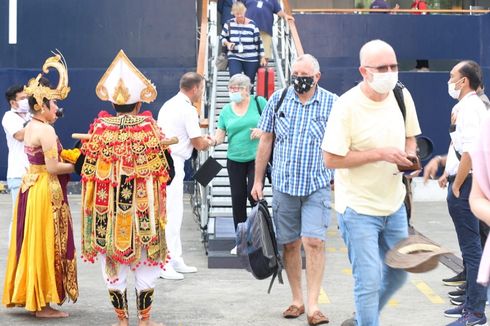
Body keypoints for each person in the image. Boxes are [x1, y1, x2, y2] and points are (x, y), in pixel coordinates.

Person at [322, 39, 421, 326]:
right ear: (364, 71)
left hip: (394, 204)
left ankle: (363, 319)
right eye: (382, 68)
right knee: (368, 279)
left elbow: (410, 137)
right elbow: (331, 159)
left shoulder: (401, 95)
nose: (390, 72)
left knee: (400, 271)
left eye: (394, 66)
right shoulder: (346, 106)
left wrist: (408, 157)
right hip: (358, 208)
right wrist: (380, 154)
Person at [79, 50, 173, 326]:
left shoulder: (99, 130)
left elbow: (82, 169)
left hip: (106, 214)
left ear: (113, 104)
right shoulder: (149, 129)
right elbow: (168, 171)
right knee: (146, 264)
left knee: (113, 266)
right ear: (138, 106)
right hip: (143, 215)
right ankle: (144, 321)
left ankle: (121, 321)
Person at [251, 54, 337, 326]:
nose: (299, 79)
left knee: (314, 241)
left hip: (317, 185)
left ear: (317, 77)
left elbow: (344, 143)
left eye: (304, 75)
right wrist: (257, 181)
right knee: (289, 244)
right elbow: (265, 141)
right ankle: (297, 299)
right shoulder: (278, 100)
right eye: (295, 74)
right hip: (284, 185)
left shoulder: (333, 104)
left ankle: (313, 306)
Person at [2, 54, 78, 317]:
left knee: (32, 242)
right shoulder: (46, 130)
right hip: (45, 188)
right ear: (41, 106)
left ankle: (34, 296)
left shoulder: (34, 126)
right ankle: (42, 304)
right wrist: (79, 166)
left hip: (31, 187)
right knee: (46, 243)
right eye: (53, 104)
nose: (56, 108)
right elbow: (54, 168)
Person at [428, 60, 487, 326]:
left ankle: (475, 311)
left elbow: (472, 151)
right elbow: (459, 148)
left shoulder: (471, 107)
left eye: (452, 76)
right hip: (465, 181)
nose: (449, 80)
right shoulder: (464, 107)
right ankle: (470, 304)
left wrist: (457, 183)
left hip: (467, 184)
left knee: (472, 250)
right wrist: (448, 174)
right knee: (472, 248)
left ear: (463, 81)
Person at [157, 72, 215, 280]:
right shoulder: (188, 110)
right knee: (171, 215)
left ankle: (175, 259)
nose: (202, 93)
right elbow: (198, 143)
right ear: (195, 89)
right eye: (201, 88)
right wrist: (211, 141)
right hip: (174, 162)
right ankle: (164, 263)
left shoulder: (168, 105)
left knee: (175, 213)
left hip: (166, 162)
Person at [214, 73, 266, 254]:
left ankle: (260, 238)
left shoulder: (259, 102)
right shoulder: (226, 110)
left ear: (245, 90)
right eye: (230, 89)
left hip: (256, 158)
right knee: (237, 200)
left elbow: (272, 125)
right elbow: (220, 136)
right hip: (234, 159)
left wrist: (261, 131)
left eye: (234, 89)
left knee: (255, 196)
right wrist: (210, 141)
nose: (231, 92)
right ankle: (242, 241)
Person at [2, 85, 30, 240]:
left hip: (35, 173)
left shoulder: (31, 115)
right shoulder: (9, 117)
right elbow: (19, 135)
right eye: (22, 98)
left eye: (27, 97)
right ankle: (15, 251)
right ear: (13, 103)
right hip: (18, 174)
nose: (26, 101)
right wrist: (38, 121)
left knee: (32, 218)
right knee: (19, 216)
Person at [221, 1, 266, 87]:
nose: (239, 16)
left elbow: (258, 42)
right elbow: (222, 37)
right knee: (234, 80)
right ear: (233, 13)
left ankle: (249, 99)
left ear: (245, 12)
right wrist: (228, 43)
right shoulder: (229, 23)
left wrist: (262, 57)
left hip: (251, 57)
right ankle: (235, 99)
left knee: (249, 83)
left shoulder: (252, 24)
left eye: (241, 13)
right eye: (237, 14)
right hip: (234, 56)